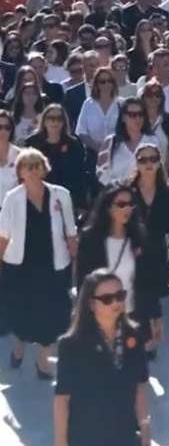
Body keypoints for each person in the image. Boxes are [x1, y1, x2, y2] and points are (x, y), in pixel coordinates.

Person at [0, 148, 79, 378]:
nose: (34, 171)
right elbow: (3, 235)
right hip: (20, 265)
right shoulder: (12, 197)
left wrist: (74, 257)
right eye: (28, 166)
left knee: (55, 312)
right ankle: (19, 346)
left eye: (37, 166)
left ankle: (43, 361)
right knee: (20, 310)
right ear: (20, 172)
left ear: (44, 168)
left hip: (53, 263)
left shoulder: (60, 194)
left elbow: (71, 231)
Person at [53, 269, 151, 446]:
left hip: (125, 436)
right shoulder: (71, 345)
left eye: (120, 295)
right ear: (91, 304)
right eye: (107, 299)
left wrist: (145, 429)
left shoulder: (135, 336)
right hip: (86, 438)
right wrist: (61, 442)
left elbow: (140, 386)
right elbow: (62, 399)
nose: (116, 302)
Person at [75, 185, 160, 349]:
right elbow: (83, 282)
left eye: (130, 204)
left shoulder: (139, 238)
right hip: (101, 319)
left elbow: (149, 281)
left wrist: (156, 317)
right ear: (108, 208)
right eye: (121, 204)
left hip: (132, 317)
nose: (127, 208)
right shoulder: (90, 239)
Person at [129, 142, 169, 352]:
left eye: (153, 159)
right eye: (143, 160)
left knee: (150, 293)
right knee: (138, 296)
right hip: (132, 252)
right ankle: (148, 337)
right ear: (136, 164)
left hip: (159, 252)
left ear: (159, 163)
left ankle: (153, 328)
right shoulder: (128, 192)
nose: (148, 164)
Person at [24, 104, 88, 212]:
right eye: (51, 118)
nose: (55, 122)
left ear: (64, 122)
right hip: (37, 200)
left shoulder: (74, 144)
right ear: (44, 121)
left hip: (67, 200)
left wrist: (81, 205)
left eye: (59, 119)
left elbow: (80, 175)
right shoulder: (32, 143)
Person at [96, 97, 161, 186]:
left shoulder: (154, 141)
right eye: (132, 115)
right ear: (123, 118)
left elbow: (160, 171)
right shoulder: (111, 142)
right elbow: (101, 174)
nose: (137, 118)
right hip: (118, 195)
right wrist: (120, 186)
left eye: (140, 114)